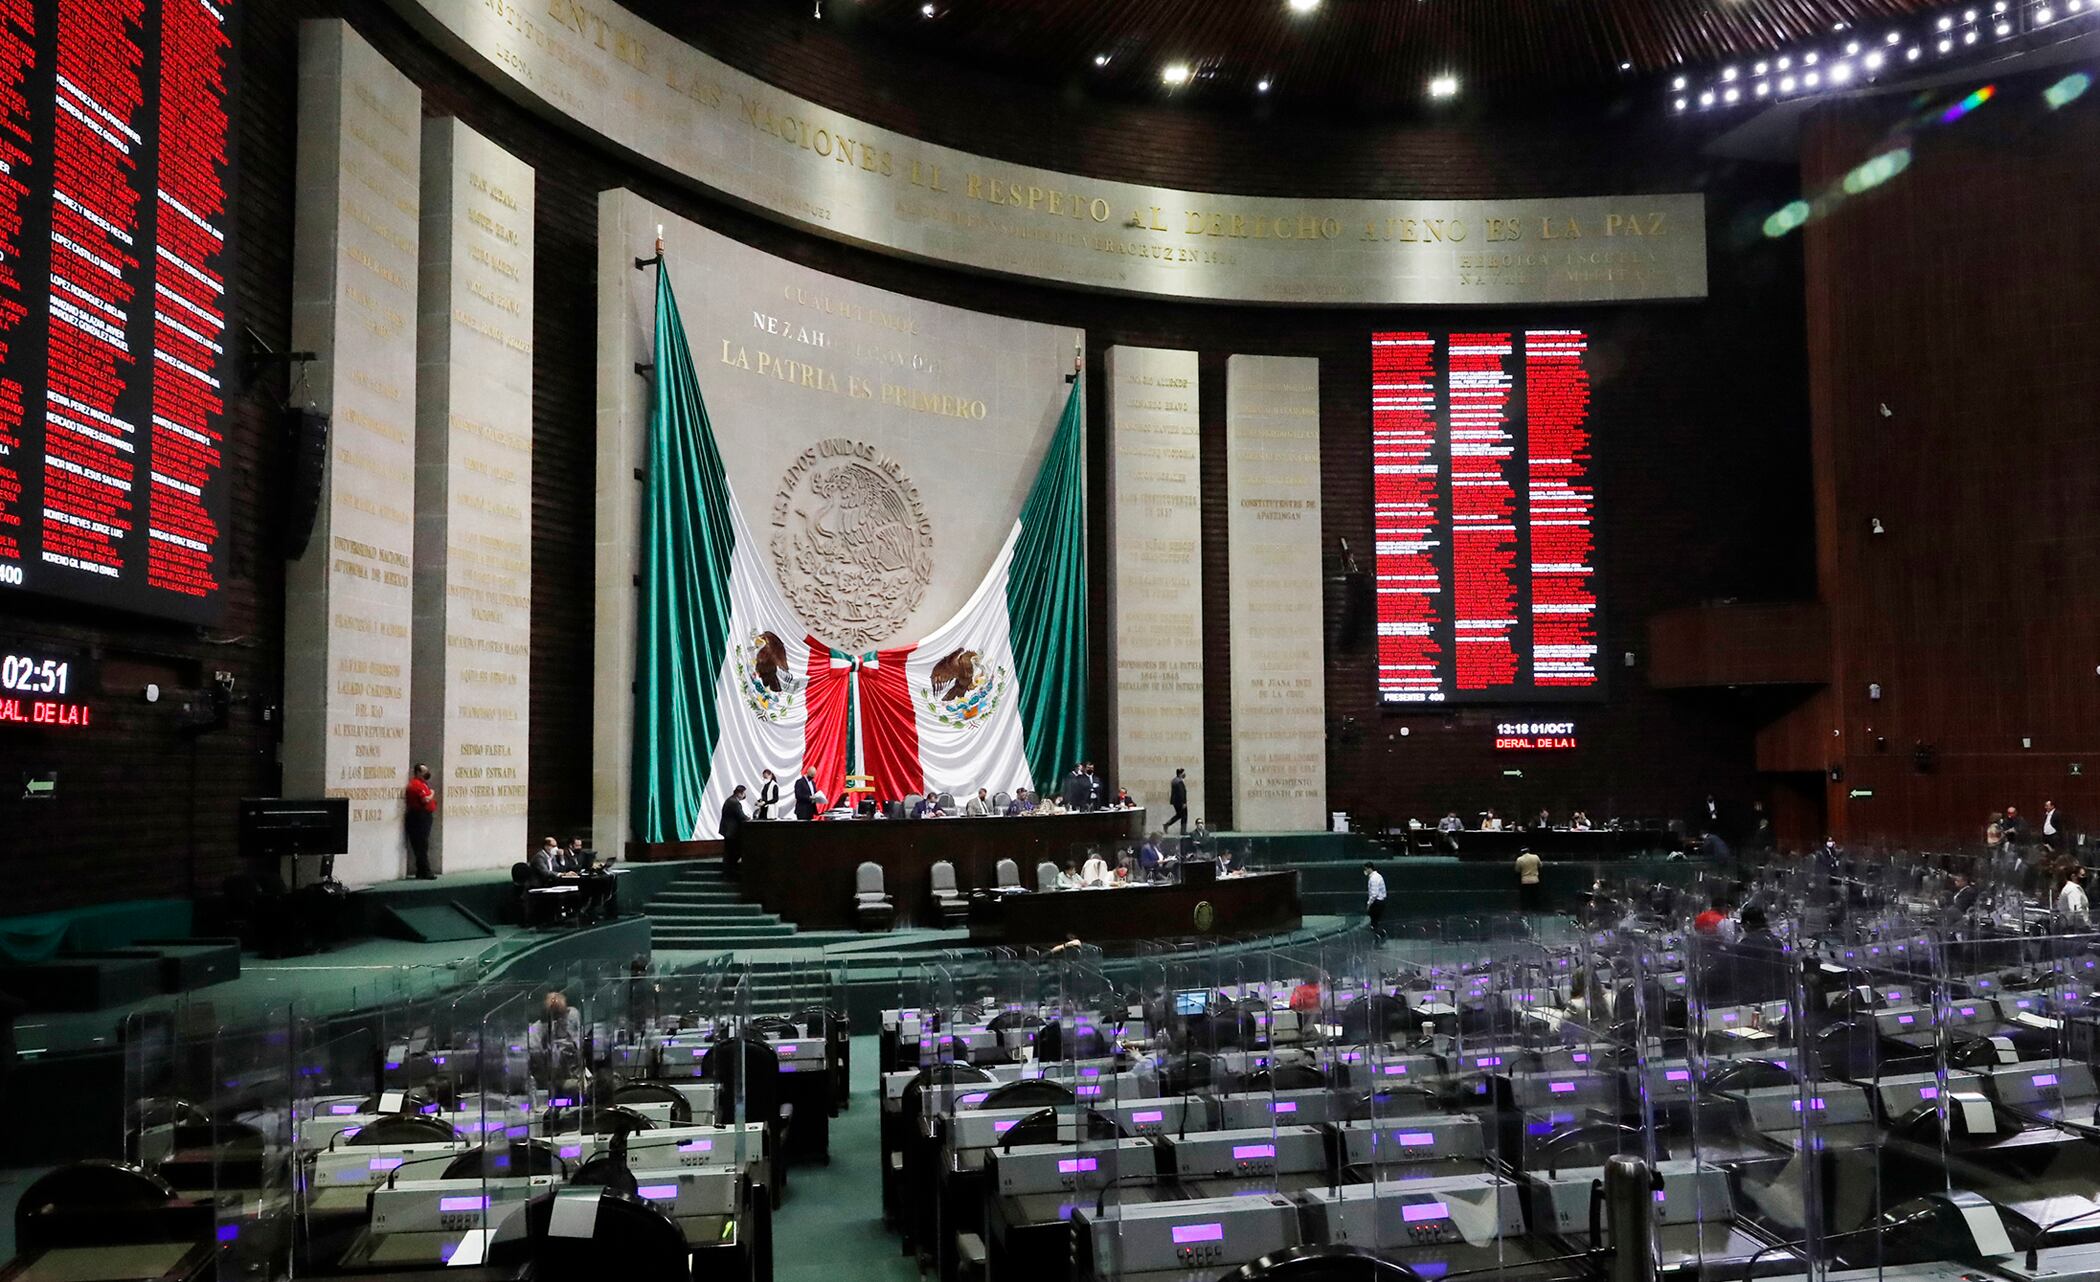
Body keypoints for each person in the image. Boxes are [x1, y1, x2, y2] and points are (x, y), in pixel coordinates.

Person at [527, 990, 584, 1088]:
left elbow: (579, 1044)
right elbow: (540, 1065)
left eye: (565, 1012)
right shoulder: (535, 1033)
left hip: (576, 1070)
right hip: (551, 1079)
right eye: (560, 1015)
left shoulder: (573, 1015)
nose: (564, 1018)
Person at [404, 762, 437, 880]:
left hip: (423, 816)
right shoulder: (416, 785)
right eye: (424, 771)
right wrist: (432, 793)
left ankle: (421, 871)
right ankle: (426, 871)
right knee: (421, 845)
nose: (427, 773)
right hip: (419, 817)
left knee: (422, 844)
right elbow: (425, 800)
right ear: (418, 772)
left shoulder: (423, 784)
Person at [719, 784, 748, 877]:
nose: (744, 795)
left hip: (727, 830)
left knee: (728, 852)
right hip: (731, 831)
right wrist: (748, 818)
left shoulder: (729, 800)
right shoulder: (735, 803)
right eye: (743, 793)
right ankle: (730, 872)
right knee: (732, 852)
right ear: (740, 793)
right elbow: (741, 816)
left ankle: (727, 871)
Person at [2057, 864, 2090, 928]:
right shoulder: (2073, 889)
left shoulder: (2071, 887)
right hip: (2077, 927)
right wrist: (2084, 926)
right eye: (2082, 875)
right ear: (2073, 876)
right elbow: (2076, 910)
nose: (2084, 877)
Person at [1363, 863, 1387, 940]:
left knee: (1374, 921)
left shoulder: (1374, 879)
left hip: (1377, 902)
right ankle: (1380, 933)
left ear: (1369, 868)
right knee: (1375, 920)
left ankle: (1378, 935)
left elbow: (1374, 894)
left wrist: (1369, 904)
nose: (1365, 871)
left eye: (1366, 869)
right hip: (1380, 901)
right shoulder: (1378, 876)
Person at [1515, 849, 1542, 913]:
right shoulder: (1535, 857)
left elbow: (1517, 870)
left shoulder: (1519, 859)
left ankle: (1525, 911)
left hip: (1525, 881)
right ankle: (1536, 910)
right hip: (1535, 880)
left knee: (1525, 898)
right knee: (1535, 897)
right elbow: (1540, 865)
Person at [1167, 768, 1190, 835]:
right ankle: (1183, 831)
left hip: (1176, 802)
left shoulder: (1175, 781)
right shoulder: (1179, 782)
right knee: (1184, 816)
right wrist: (1183, 802)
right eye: (1183, 773)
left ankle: (1167, 824)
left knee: (1179, 815)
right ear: (1180, 774)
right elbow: (1181, 793)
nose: (1184, 774)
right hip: (1180, 802)